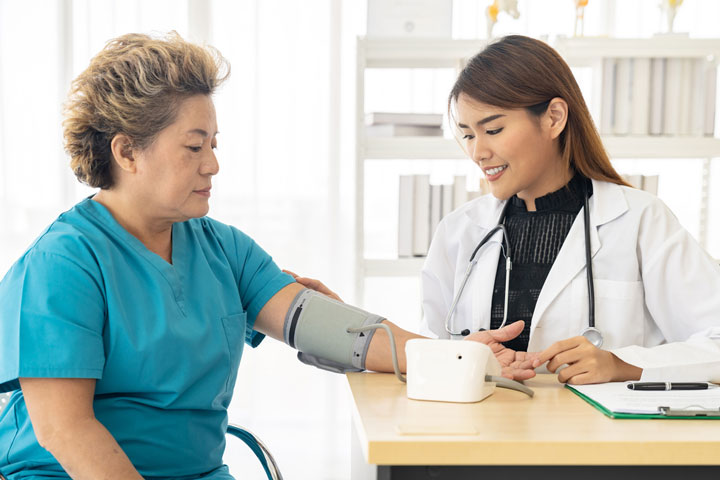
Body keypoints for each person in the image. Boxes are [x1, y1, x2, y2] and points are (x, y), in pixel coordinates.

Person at [0, 32, 535, 480]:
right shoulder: (64, 263)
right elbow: (64, 429)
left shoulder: (221, 248)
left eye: (214, 143)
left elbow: (334, 329)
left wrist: (453, 356)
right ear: (126, 151)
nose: (213, 164)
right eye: (194, 146)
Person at [420, 35, 720, 385]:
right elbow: (429, 350)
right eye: (468, 135)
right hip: (482, 431)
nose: (478, 153)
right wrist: (464, 357)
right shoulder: (460, 230)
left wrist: (622, 364)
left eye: (493, 129)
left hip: (598, 437)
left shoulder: (640, 220)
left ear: (554, 118)